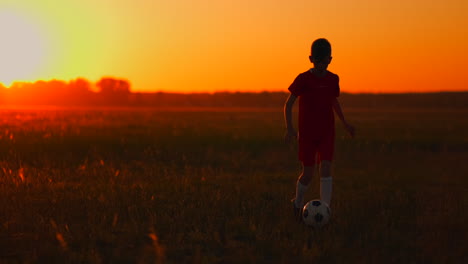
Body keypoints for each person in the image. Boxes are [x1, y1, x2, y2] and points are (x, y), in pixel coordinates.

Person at [284, 38, 355, 220]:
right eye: (318, 61)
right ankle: (297, 203)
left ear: (330, 59)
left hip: (326, 132)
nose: (322, 65)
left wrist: (345, 123)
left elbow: (333, 101)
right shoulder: (303, 79)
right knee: (307, 173)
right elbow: (289, 104)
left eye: (325, 61)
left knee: (325, 168)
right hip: (307, 134)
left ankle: (325, 211)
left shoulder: (333, 79)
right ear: (311, 59)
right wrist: (290, 128)